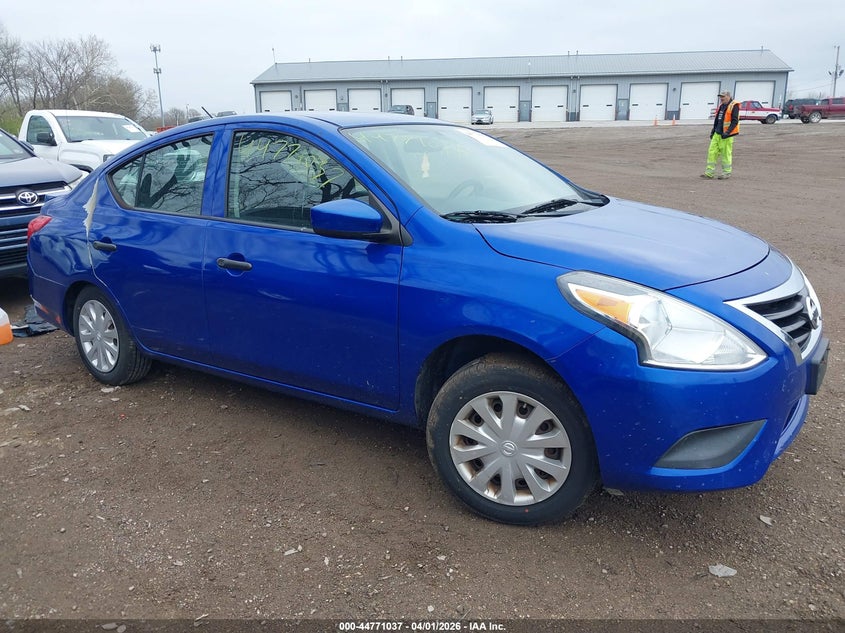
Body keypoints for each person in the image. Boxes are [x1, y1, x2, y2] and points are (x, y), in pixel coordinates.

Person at [702, 90, 740, 179]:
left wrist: (728, 132)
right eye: (720, 97)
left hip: (726, 135)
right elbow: (717, 120)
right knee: (712, 153)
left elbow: (735, 121)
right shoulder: (721, 106)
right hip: (717, 133)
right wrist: (713, 131)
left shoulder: (733, 106)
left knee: (726, 154)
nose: (721, 98)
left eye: (723, 96)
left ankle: (726, 173)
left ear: (728, 96)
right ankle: (709, 173)